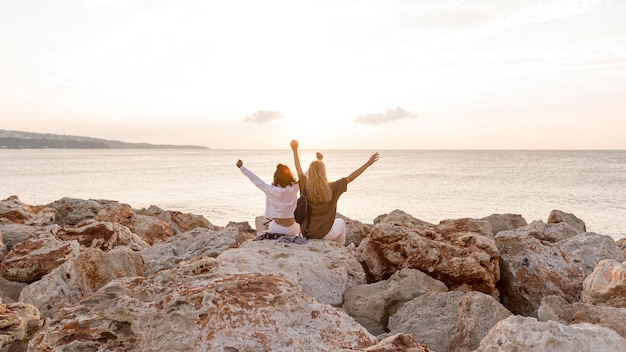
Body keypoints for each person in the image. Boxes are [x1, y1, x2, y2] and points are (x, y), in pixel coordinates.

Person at [290, 140, 379, 244]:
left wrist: (295, 150)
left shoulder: (305, 185)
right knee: (340, 223)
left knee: (338, 223)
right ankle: (341, 248)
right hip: (323, 234)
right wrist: (368, 163)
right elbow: (351, 177)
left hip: (306, 232)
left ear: (310, 172)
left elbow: (298, 169)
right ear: (324, 172)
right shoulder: (333, 187)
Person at [236, 159, 300, 236]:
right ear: (289, 176)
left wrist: (242, 168)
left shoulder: (270, 190)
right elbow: (305, 175)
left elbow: (255, 179)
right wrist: (318, 160)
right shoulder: (294, 188)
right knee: (297, 226)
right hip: (292, 230)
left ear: (276, 177)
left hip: (276, 229)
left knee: (271, 225)